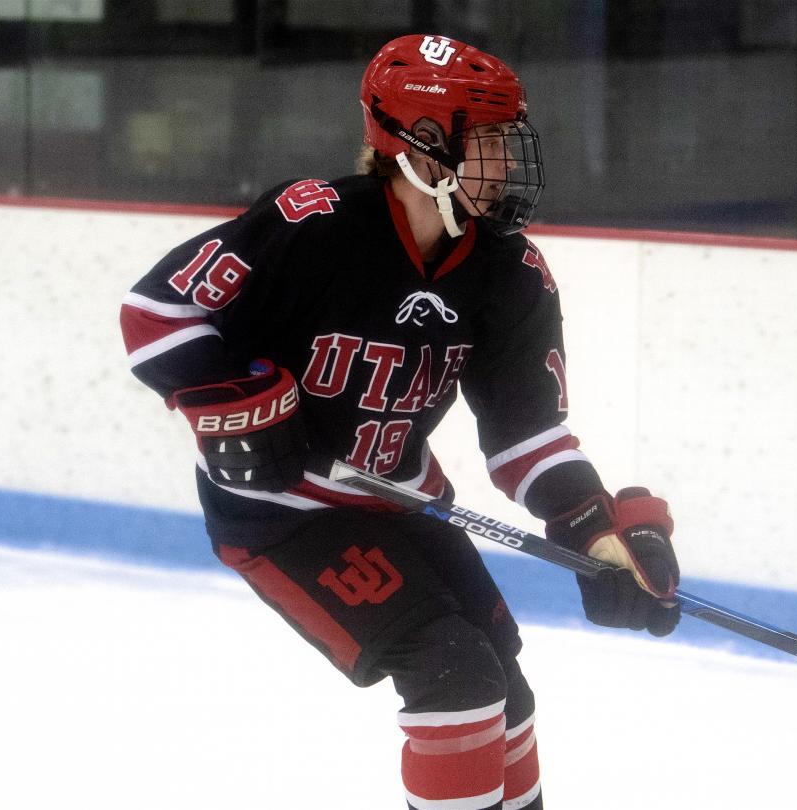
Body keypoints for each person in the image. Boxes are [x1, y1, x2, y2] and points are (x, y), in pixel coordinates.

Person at [120, 33, 682, 810]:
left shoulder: (509, 272)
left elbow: (528, 435)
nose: (508, 163)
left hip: (401, 500)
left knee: (503, 684)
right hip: (284, 515)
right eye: (489, 142)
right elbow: (158, 312)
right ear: (422, 147)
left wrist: (592, 528)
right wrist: (228, 400)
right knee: (455, 678)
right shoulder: (311, 224)